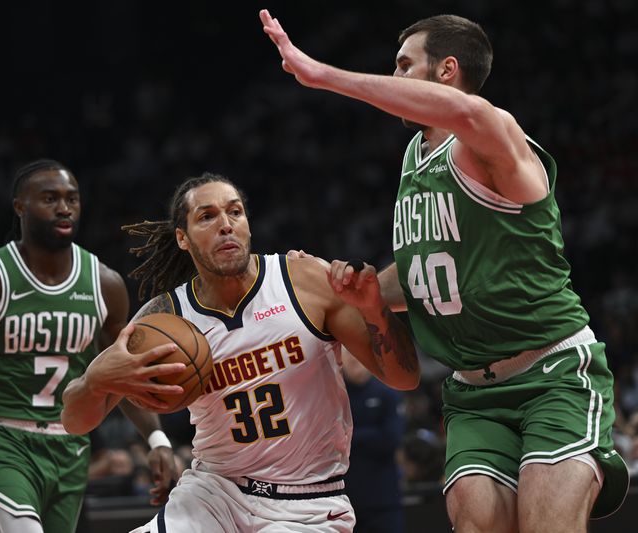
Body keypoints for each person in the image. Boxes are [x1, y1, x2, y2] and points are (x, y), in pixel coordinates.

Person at [260, 9, 629, 532]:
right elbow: (425, 275)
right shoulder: (416, 156)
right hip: (472, 392)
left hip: (552, 373)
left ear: (447, 70)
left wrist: (320, 73)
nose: (394, 78)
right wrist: (360, 293)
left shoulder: (491, 135)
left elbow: (467, 114)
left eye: (405, 65)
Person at [61, 172, 420, 532]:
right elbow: (74, 420)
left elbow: (404, 377)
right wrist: (95, 381)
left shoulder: (305, 281)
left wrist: (375, 311)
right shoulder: (164, 318)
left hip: (307, 502)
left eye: (235, 212)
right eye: (207, 216)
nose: (226, 225)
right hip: (214, 493)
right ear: (182, 239)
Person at [0, 159, 181, 532]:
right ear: (20, 207)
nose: (64, 207)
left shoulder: (104, 284)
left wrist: (156, 438)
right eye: (49, 198)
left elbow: (123, 373)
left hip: (69, 446)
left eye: (71, 199)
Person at [341, 348, 404, 533]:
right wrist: (371, 434)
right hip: (345, 502)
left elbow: (391, 439)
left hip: (384, 501)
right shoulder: (335, 395)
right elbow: (327, 441)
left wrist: (349, 436)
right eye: (349, 354)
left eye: (358, 354)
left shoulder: (387, 392)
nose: (354, 357)